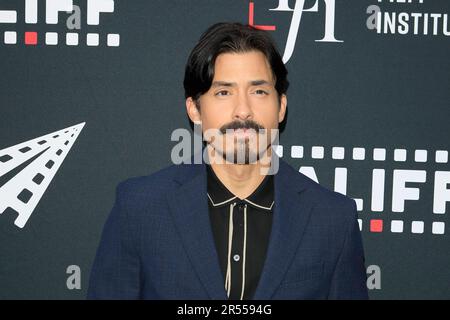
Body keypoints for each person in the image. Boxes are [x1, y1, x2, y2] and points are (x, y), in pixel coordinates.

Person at [87, 22, 368, 300]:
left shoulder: (332, 220)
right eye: (224, 92)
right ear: (195, 110)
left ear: (281, 106)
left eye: (258, 91)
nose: (243, 111)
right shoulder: (139, 209)